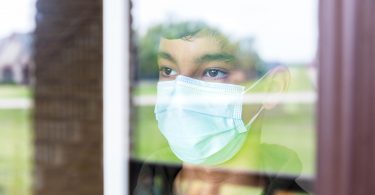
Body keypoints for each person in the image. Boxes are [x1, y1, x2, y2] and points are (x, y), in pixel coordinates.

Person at [133, 23, 305, 195]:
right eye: (168, 70)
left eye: (213, 72)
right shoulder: (128, 184)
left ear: (272, 89)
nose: (180, 97)